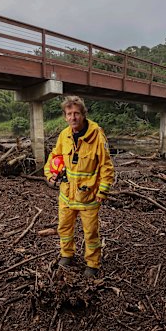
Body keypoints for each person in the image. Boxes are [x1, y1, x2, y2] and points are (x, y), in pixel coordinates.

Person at [44, 96, 114, 278]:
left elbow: (106, 165)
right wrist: (49, 175)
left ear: (83, 115)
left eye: (76, 113)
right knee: (64, 228)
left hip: (89, 196)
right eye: (69, 114)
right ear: (65, 117)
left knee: (90, 233)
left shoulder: (97, 135)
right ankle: (67, 254)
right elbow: (54, 156)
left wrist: (103, 190)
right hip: (66, 195)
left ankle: (92, 263)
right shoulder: (64, 135)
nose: (73, 117)